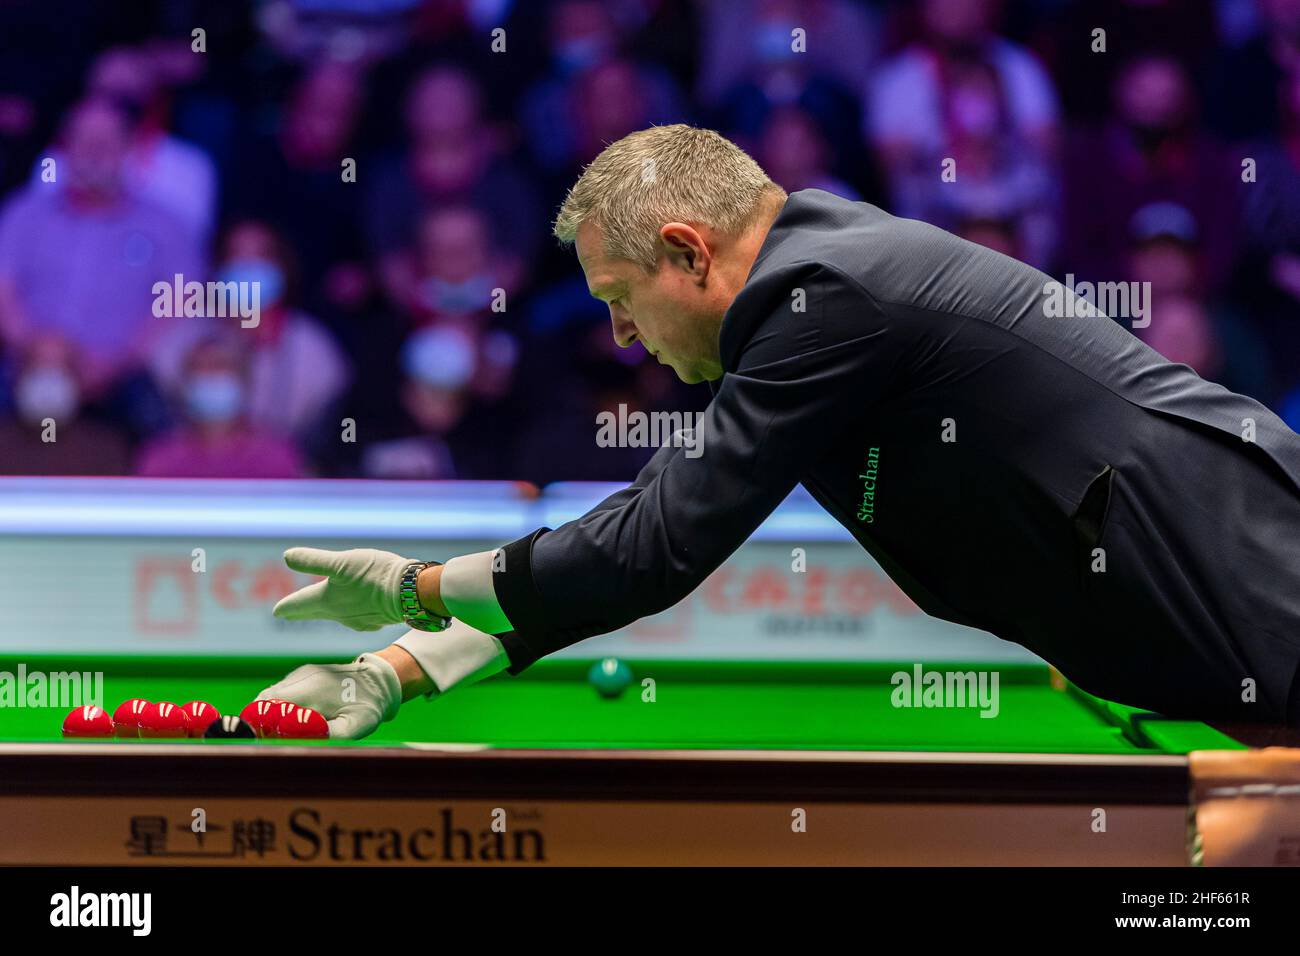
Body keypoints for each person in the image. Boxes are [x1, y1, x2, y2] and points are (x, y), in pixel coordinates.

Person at [260, 125, 1300, 739]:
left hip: (1258, 578)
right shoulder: (810, 300)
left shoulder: (822, 300)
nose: (622, 336)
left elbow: (654, 546)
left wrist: (413, 584)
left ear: (688, 250)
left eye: (621, 298)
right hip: (1232, 616)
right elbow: (641, 537)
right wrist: (399, 666)